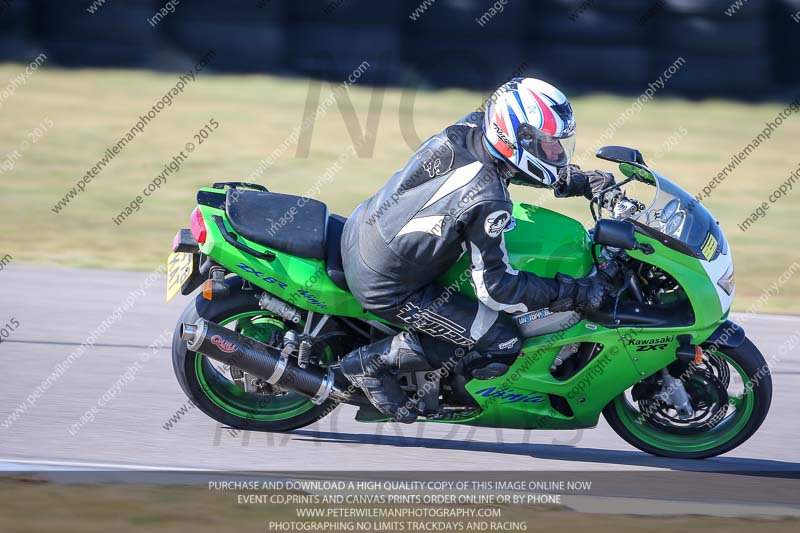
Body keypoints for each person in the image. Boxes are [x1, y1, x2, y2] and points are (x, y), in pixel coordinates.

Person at [339, 77, 614, 423]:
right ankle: (371, 364)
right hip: (389, 285)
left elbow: (510, 161)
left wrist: (575, 180)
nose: (557, 153)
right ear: (518, 138)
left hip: (364, 227)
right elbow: (497, 289)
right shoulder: (489, 200)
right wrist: (571, 292)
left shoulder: (471, 127)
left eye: (558, 145)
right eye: (548, 144)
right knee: (502, 339)